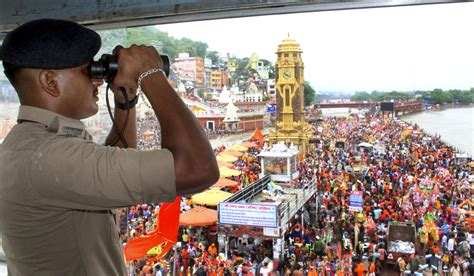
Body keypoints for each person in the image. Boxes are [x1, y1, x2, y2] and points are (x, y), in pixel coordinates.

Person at [0, 18, 219, 275]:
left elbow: (114, 168)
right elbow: (198, 169)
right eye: (89, 71)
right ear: (51, 82)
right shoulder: (48, 157)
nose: (99, 81)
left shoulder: (33, 146)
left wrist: (125, 100)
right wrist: (150, 73)